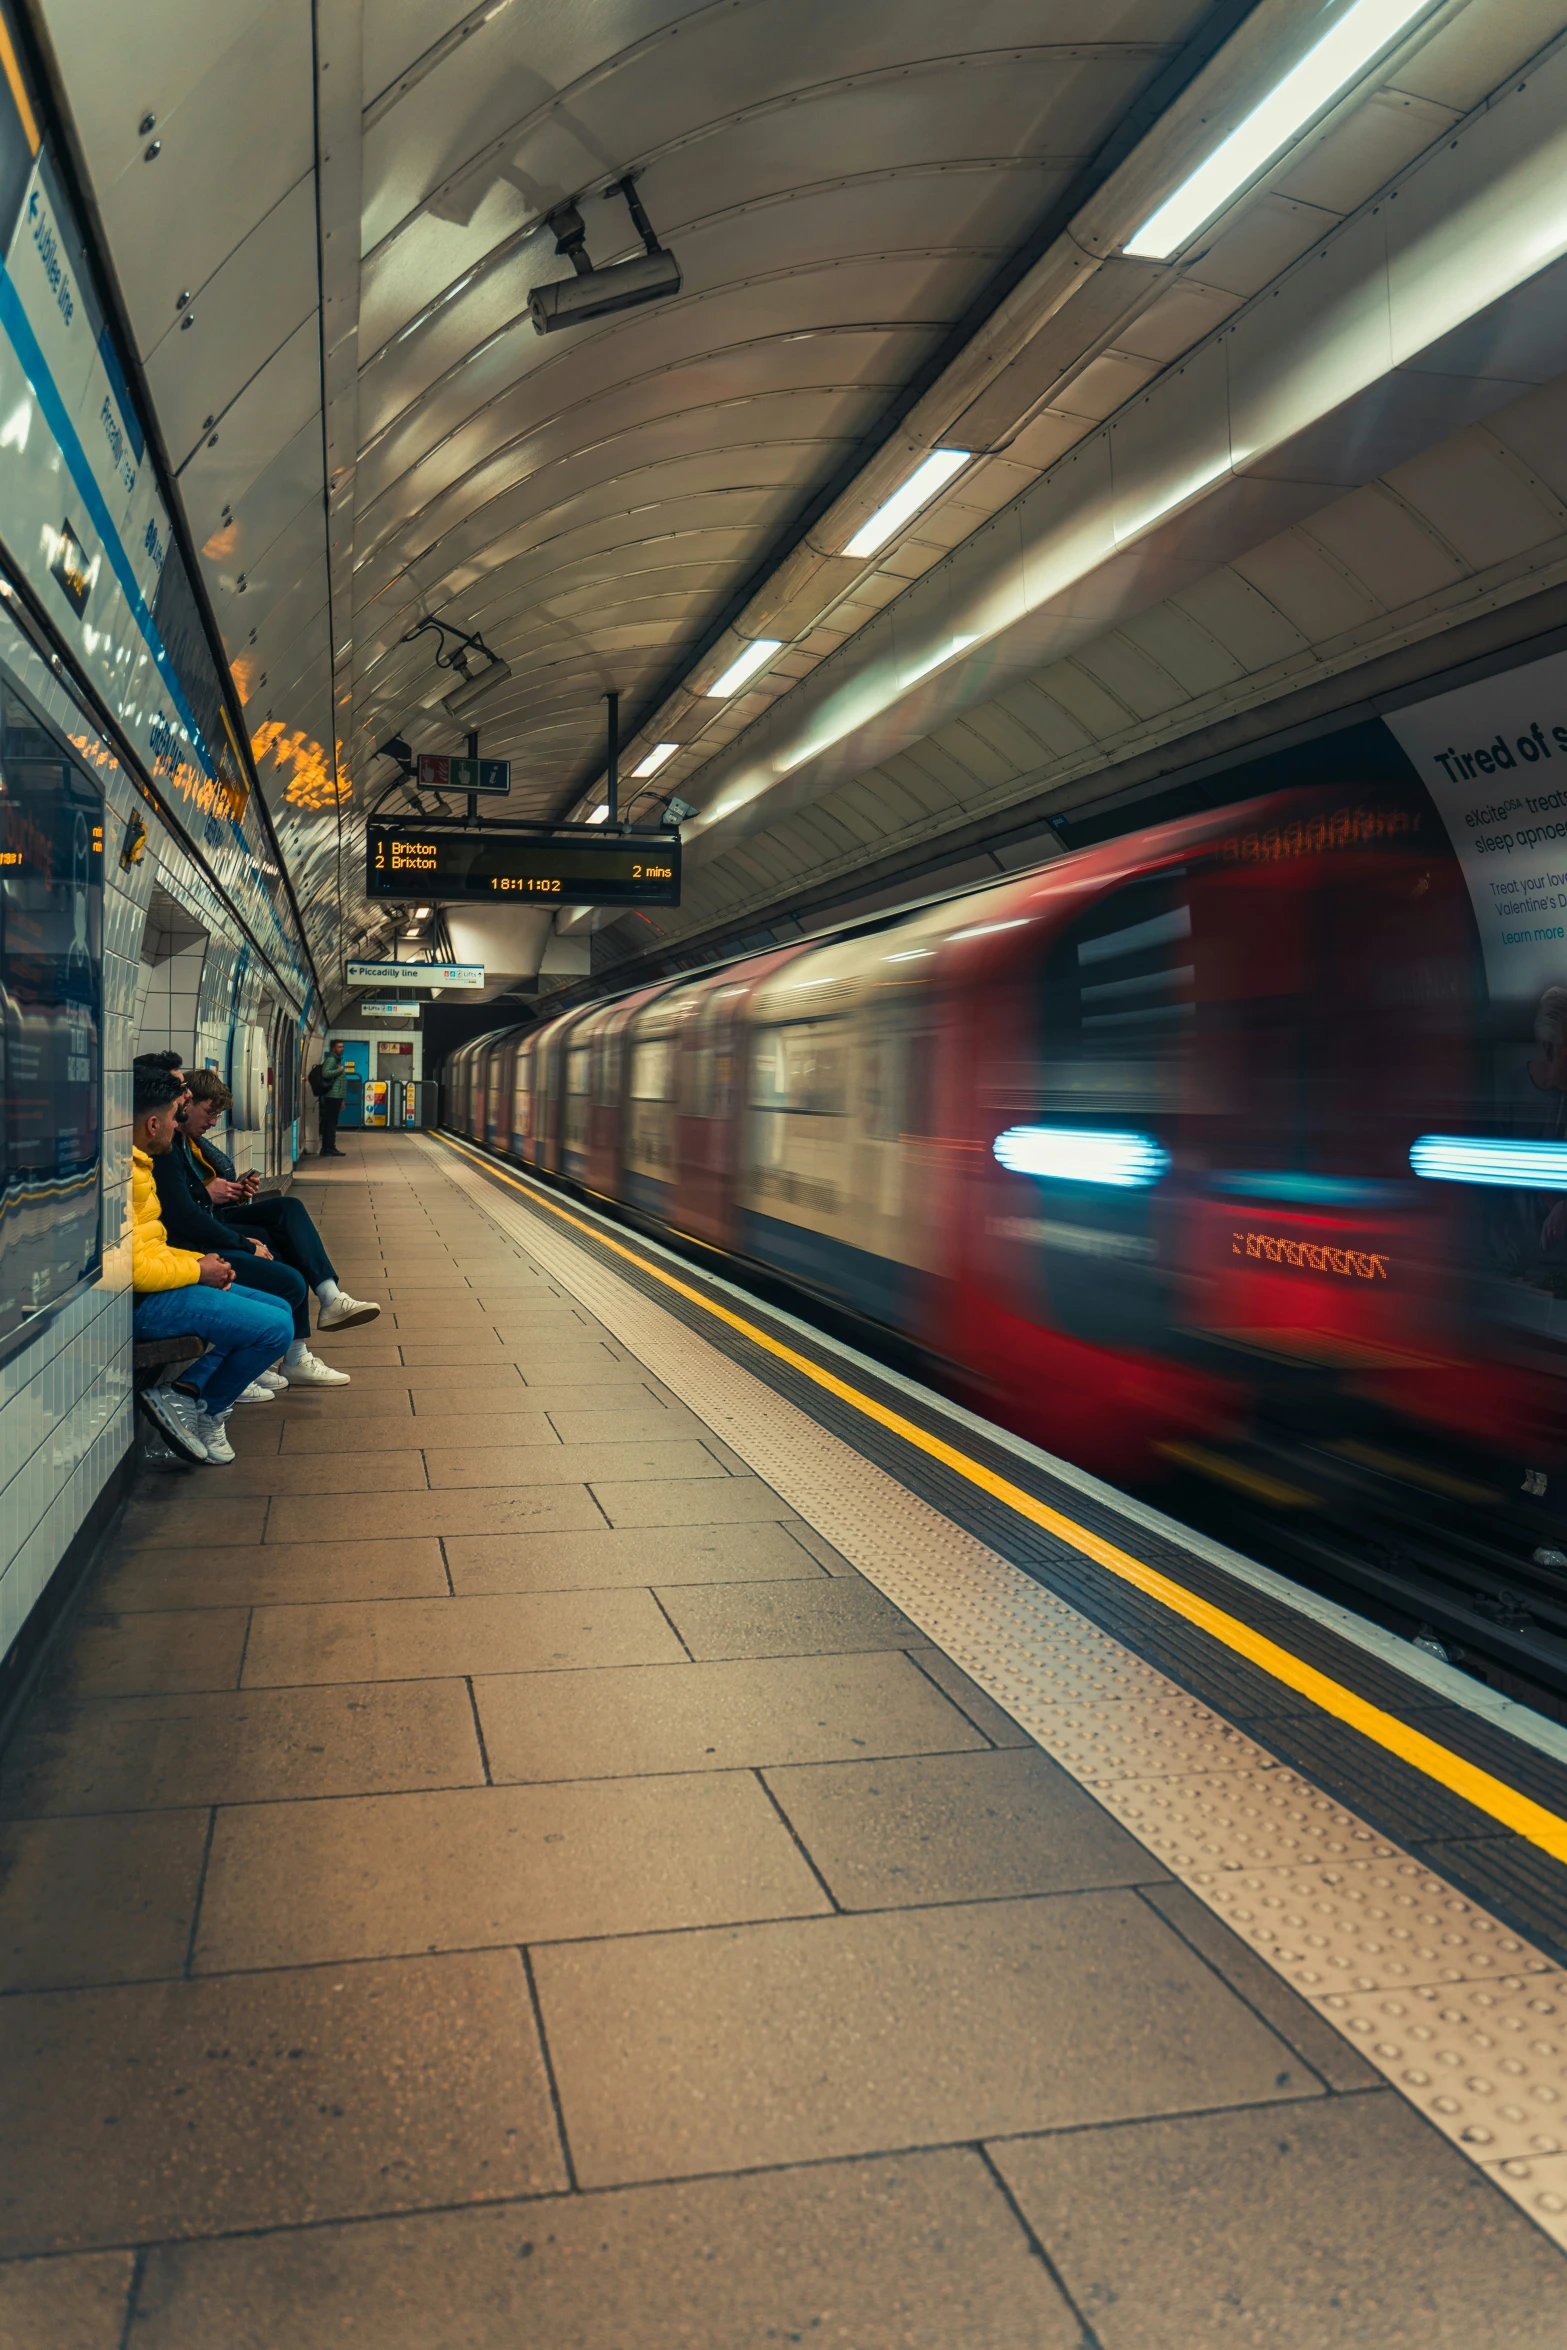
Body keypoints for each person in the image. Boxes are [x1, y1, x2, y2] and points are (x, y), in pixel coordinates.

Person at [133, 1053, 359, 1389]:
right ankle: (211, 1389)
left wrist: (232, 1195)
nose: (185, 1098)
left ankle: (328, 1298)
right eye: (182, 1094)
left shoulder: (173, 1144)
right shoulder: (160, 1152)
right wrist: (205, 1262)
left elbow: (173, 1217)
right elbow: (180, 1219)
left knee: (286, 1214)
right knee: (287, 1284)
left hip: (181, 1253)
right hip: (174, 1266)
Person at [131, 1066, 295, 1465]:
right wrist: (199, 1270)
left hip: (164, 1283)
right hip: (143, 1301)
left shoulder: (143, 1165)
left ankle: (185, 1392)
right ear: (153, 1124)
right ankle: (209, 1408)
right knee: (275, 1329)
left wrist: (202, 1262)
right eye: (175, 1116)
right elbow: (130, 1267)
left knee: (280, 1308)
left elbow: (149, 1246)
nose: (179, 1123)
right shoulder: (130, 1174)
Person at [183, 1068, 380, 1340]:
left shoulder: (191, 1142)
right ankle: (291, 1351)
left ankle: (329, 1295)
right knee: (286, 1261)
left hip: (217, 1217)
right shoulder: (171, 1147)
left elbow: (203, 1191)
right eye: (210, 1113)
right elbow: (182, 1205)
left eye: (218, 1114)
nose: (214, 1121)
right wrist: (210, 1198)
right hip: (202, 1233)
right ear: (186, 1103)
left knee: (289, 1209)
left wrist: (238, 1190)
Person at [316, 1043, 347, 1156]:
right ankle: (328, 1148)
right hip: (332, 1096)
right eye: (339, 1047)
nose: (341, 1049)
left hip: (336, 1096)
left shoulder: (336, 1060)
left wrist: (341, 1100)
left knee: (332, 1123)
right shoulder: (331, 1060)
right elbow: (325, 1073)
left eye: (342, 1047)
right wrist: (340, 1070)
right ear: (333, 1048)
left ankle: (329, 1147)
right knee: (330, 1123)